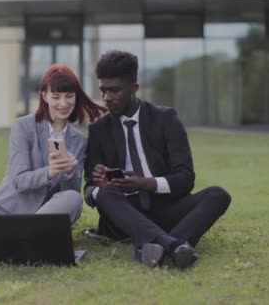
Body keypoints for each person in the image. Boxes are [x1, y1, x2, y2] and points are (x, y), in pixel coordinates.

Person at [83, 50, 231, 269]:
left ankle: (154, 246)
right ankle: (173, 246)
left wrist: (146, 183)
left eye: (114, 90)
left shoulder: (165, 119)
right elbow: (88, 190)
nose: (107, 98)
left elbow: (186, 178)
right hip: (124, 215)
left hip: (166, 208)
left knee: (218, 195)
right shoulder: (98, 130)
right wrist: (99, 187)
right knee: (103, 193)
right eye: (103, 90)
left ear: (134, 88)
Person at [0, 64, 105, 254]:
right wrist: (49, 172)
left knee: (73, 199)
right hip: (2, 213)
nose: (63, 103)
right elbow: (18, 180)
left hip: (41, 217)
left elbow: (69, 197)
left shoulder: (78, 141)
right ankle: (23, 241)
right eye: (56, 96)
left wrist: (69, 174)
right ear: (44, 96)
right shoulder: (24, 127)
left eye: (69, 96)